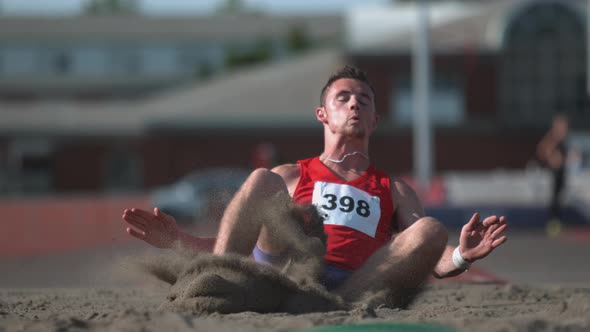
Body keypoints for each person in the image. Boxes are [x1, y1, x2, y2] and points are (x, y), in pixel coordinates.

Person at [123, 65, 508, 304]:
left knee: (432, 229)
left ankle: (327, 303)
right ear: (323, 114)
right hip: (281, 275)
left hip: (352, 291)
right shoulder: (290, 175)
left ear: (374, 120)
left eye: (365, 100)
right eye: (344, 98)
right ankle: (219, 284)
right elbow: (245, 243)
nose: (355, 104)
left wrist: (460, 256)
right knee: (261, 180)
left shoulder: (395, 189)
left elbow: (425, 257)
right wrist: (177, 242)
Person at [536, 114, 569, 234]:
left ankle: (556, 222)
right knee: (554, 199)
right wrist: (552, 159)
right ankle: (553, 224)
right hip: (555, 173)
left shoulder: (561, 138)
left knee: (558, 198)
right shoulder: (553, 137)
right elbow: (542, 149)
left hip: (561, 172)